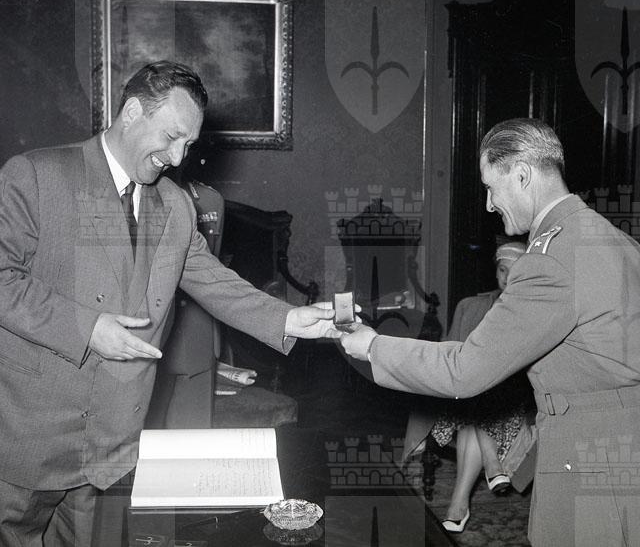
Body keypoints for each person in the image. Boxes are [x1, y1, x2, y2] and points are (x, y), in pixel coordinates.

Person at [0, 60, 338, 546]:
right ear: (132, 112)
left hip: (109, 449)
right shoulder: (36, 176)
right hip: (28, 437)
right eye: (172, 136)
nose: (178, 157)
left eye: (188, 144)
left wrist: (288, 317)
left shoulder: (176, 206)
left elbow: (213, 281)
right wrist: (87, 328)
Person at [341, 118, 640, 546]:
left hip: (588, 451)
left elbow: (466, 370)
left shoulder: (550, 259)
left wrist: (373, 346)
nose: (488, 204)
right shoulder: (610, 238)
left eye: (490, 188)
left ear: (522, 175)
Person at [428, 241, 534, 532]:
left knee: (471, 403)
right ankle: (489, 465)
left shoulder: (533, 311)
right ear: (495, 272)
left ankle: (458, 503)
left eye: (515, 271)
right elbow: (449, 351)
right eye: (502, 270)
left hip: (510, 396)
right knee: (470, 394)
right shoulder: (472, 306)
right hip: (470, 390)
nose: (507, 278)